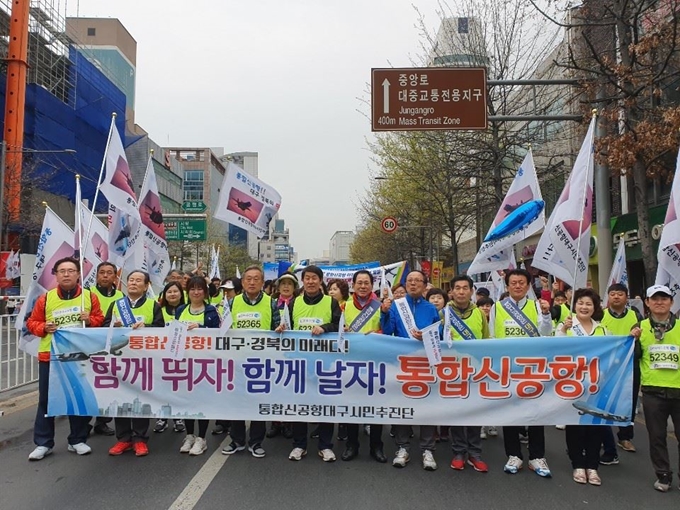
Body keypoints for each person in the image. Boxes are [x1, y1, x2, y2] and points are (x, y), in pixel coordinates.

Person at [26, 257, 105, 461]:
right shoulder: (46, 298)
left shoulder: (89, 297)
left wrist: (90, 320)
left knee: (77, 398)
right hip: (50, 358)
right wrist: (44, 328)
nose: (67, 274)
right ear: (56, 275)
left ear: (79, 274)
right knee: (46, 400)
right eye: (62, 271)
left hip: (79, 357)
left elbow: (100, 320)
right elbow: (32, 323)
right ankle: (43, 443)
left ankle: (77, 439)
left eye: (71, 270)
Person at [488, 268, 553, 478]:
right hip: (507, 369)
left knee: (536, 412)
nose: (517, 286)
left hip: (532, 368)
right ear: (507, 286)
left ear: (528, 285)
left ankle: (537, 456)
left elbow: (546, 333)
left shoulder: (536, 306)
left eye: (521, 282)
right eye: (513, 283)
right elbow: (491, 337)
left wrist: (545, 314)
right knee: (510, 413)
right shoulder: (497, 308)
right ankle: (513, 454)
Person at [276, 265, 341, 462]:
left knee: (325, 405)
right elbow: (288, 327)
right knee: (300, 405)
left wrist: (325, 327)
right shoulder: (294, 303)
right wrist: (281, 328)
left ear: (320, 281)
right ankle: (299, 445)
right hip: (299, 363)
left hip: (325, 364)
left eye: (315, 278)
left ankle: (325, 446)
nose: (311, 281)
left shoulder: (331, 302)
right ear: (303, 281)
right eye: (307, 278)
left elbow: (339, 326)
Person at [380, 270, 441, 471]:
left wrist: (426, 336)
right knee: (401, 406)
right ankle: (402, 447)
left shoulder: (431, 308)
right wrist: (385, 313)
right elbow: (388, 331)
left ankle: (427, 449)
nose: (413, 284)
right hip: (401, 364)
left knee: (427, 407)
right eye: (410, 281)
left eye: (418, 281)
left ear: (425, 285)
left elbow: (437, 336)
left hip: (424, 364)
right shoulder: (397, 306)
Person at [222, 265, 280, 459]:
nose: (252, 282)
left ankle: (256, 442)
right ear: (243, 282)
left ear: (263, 282)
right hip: (237, 363)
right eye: (249, 279)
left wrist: (281, 328)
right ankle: (237, 440)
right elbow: (223, 330)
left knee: (258, 403)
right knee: (235, 403)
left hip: (262, 363)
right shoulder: (231, 303)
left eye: (256, 279)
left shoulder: (272, 304)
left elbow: (277, 329)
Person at [106, 271, 164, 458]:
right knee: (120, 398)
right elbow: (103, 328)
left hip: (143, 361)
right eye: (131, 280)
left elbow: (161, 329)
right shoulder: (116, 305)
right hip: (119, 360)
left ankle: (139, 439)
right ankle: (123, 438)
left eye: (138, 280)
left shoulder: (152, 305)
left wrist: (146, 328)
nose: (133, 283)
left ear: (146, 286)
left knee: (140, 399)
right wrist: (112, 326)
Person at [630, 285, 680, 493]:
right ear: (647, 303)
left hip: (678, 390)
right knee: (657, 436)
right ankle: (663, 475)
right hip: (652, 392)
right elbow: (633, 358)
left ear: (671, 302)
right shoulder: (639, 327)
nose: (660, 302)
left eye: (664, 298)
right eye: (655, 299)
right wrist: (633, 340)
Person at [556, 288, 607, 486]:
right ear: (574, 305)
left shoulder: (602, 329)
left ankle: (592, 466)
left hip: (596, 386)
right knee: (575, 426)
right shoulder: (567, 325)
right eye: (580, 303)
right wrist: (562, 330)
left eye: (589, 304)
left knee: (595, 427)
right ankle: (578, 464)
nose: (584, 307)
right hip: (572, 385)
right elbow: (556, 351)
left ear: (595, 307)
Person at [340, 270, 386, 463]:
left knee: (376, 408)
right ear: (353, 285)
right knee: (352, 406)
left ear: (372, 285)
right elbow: (337, 330)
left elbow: (388, 330)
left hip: (376, 363)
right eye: (359, 283)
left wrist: (379, 331)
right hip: (351, 364)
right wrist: (342, 330)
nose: (363, 286)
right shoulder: (344, 306)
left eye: (366, 283)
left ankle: (376, 446)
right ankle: (352, 445)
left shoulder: (380, 306)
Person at [446, 275, 490, 473]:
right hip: (452, 370)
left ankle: (475, 453)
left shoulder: (480, 314)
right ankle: (458, 452)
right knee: (456, 412)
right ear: (452, 291)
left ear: (472, 291)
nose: (461, 291)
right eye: (458, 288)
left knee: (474, 412)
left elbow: (487, 339)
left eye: (465, 288)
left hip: (476, 370)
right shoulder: (444, 312)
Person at [176, 276, 221, 455]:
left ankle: (201, 438)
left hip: (205, 363)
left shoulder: (211, 311)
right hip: (185, 362)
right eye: (192, 289)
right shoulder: (180, 310)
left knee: (202, 400)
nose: (196, 292)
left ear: (205, 291)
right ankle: (190, 436)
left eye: (200, 288)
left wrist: (201, 327)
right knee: (187, 400)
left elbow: (219, 334)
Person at [600, 283, 644, 462]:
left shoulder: (636, 316)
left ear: (627, 297)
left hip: (630, 366)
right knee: (603, 402)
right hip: (607, 367)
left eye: (620, 294)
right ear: (608, 297)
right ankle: (604, 436)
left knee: (629, 401)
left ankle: (625, 437)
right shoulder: (600, 316)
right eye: (612, 294)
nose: (616, 297)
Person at [88, 261, 124, 437]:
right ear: (96, 275)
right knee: (89, 384)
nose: (105, 276)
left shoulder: (121, 297)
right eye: (102, 272)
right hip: (90, 344)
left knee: (109, 384)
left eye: (109, 273)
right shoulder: (87, 294)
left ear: (115, 277)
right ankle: (84, 422)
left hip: (112, 346)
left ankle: (102, 422)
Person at [266, 273, 299, 439]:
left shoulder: (297, 304)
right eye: (283, 284)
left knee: (290, 388)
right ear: (278, 287)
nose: (286, 287)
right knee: (275, 387)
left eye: (290, 284)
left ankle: (289, 423)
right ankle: (275, 422)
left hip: (293, 353)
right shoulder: (271, 304)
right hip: (273, 352)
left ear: (295, 287)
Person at [153, 281, 187, 434]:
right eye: (169, 292)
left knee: (179, 388)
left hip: (183, 357)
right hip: (162, 357)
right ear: (164, 295)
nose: (172, 294)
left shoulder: (187, 310)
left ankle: (178, 417)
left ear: (181, 294)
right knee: (162, 388)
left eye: (175, 291)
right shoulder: (159, 310)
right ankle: (162, 418)